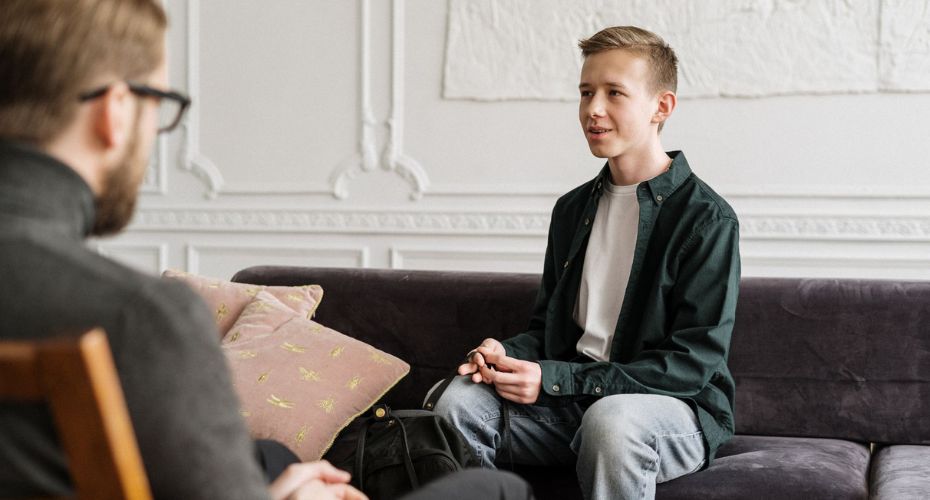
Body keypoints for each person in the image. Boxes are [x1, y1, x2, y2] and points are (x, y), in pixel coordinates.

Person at [0, 1, 533, 500]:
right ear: (115, 111)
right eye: (158, 104)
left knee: (270, 457)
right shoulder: (143, 318)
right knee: (497, 489)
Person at [432, 26, 741, 500]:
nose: (593, 109)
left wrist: (555, 379)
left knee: (612, 420)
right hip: (573, 402)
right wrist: (506, 354)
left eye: (614, 93)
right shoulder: (572, 209)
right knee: (457, 403)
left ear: (662, 107)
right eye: (585, 92)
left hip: (672, 412)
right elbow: (549, 330)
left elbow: (690, 364)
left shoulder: (706, 219)